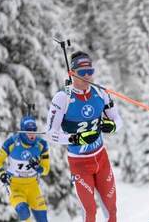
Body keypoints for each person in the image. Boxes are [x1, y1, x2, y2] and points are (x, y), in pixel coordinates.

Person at [45, 51, 123, 222]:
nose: (87, 76)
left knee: (111, 208)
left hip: (101, 159)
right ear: (72, 73)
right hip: (79, 162)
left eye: (90, 71)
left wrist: (113, 126)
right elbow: (50, 134)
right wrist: (75, 139)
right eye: (82, 73)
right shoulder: (62, 98)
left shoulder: (101, 93)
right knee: (89, 211)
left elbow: (118, 119)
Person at [0, 115, 50, 222]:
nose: (32, 134)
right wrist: (2, 174)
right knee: (23, 211)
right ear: (22, 131)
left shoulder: (42, 145)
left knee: (42, 218)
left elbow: (46, 170)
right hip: (15, 186)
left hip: (33, 187)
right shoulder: (11, 143)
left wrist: (38, 168)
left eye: (34, 130)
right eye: (28, 131)